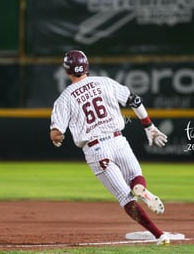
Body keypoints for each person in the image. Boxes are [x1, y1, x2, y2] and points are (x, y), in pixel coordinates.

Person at [50, 50, 170, 244]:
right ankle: (142, 189)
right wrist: (149, 126)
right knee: (135, 180)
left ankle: (159, 234)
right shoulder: (105, 82)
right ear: (87, 66)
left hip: (96, 149)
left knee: (125, 197)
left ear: (66, 71)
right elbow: (135, 100)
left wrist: (58, 138)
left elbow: (55, 133)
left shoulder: (65, 98)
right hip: (118, 140)